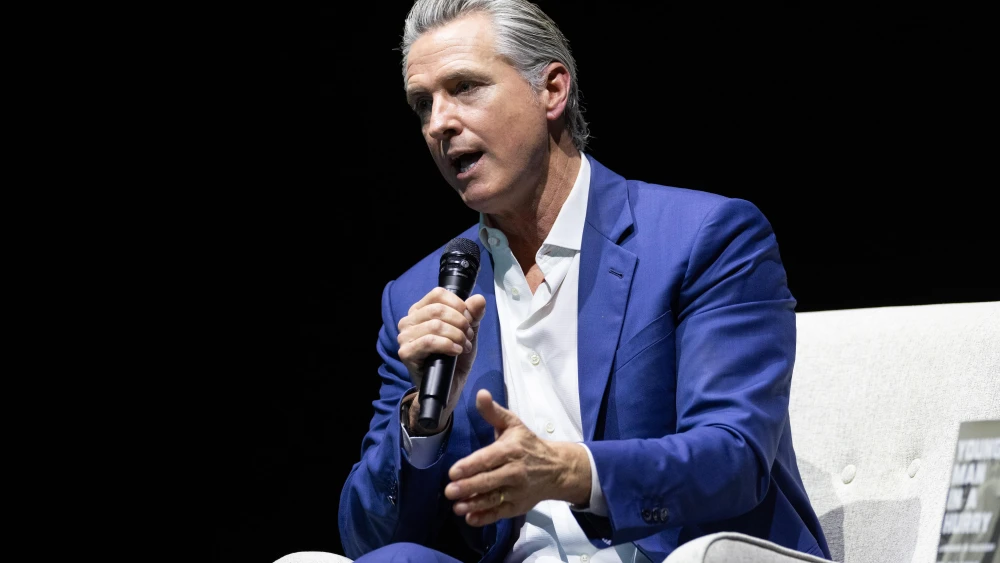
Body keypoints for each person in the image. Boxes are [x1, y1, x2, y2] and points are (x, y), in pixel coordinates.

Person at [337, 0, 831, 561]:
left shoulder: (702, 238)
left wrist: (569, 471)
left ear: (552, 90)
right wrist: (427, 425)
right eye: (423, 103)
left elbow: (733, 459)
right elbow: (367, 538)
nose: (438, 123)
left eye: (465, 87)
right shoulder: (420, 296)